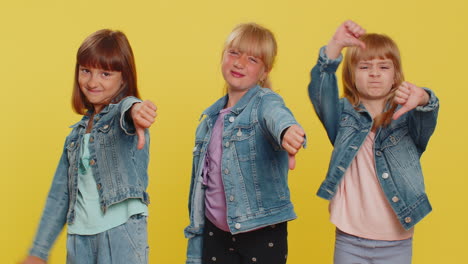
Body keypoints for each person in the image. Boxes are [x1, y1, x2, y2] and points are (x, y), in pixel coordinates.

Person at [308, 20, 439, 264]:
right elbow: (320, 90)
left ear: (395, 76)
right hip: (350, 239)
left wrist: (423, 98)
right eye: (365, 66)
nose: (375, 73)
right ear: (351, 75)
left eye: (383, 67)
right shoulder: (342, 115)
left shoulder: (408, 119)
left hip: (397, 241)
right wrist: (335, 45)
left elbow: (427, 112)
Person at [22, 29, 157, 264]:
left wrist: (137, 110)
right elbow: (59, 195)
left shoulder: (122, 119)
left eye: (105, 74)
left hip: (119, 233)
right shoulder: (74, 136)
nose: (93, 82)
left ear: (123, 78)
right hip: (79, 238)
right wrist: (38, 251)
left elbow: (127, 108)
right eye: (86, 71)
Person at [184, 23, 306, 264]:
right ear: (222, 57)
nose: (239, 63)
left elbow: (277, 116)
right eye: (233, 53)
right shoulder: (209, 120)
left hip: (260, 231)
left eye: (252, 59)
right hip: (214, 231)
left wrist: (287, 132)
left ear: (265, 71)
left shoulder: (265, 103)